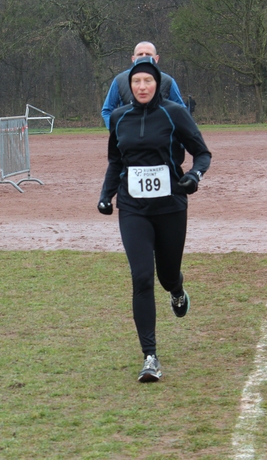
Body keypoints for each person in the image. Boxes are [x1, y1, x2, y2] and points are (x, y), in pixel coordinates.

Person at [98, 57, 212, 383]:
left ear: (157, 84)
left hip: (171, 206)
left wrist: (194, 176)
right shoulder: (119, 117)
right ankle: (150, 357)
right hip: (133, 207)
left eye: (148, 81)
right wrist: (106, 195)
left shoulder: (175, 113)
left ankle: (177, 289)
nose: (142, 86)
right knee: (142, 277)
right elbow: (115, 161)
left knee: (166, 275)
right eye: (136, 81)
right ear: (130, 86)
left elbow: (202, 153)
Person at [101, 41, 185, 129]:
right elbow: (107, 110)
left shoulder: (168, 81)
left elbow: (181, 110)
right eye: (140, 54)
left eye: (148, 54)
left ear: (156, 59)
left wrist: (171, 131)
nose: (144, 57)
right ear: (133, 59)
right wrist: (117, 130)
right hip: (129, 134)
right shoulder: (119, 80)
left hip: (160, 134)